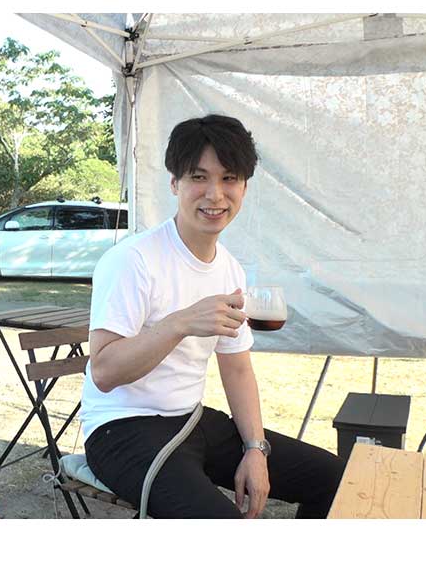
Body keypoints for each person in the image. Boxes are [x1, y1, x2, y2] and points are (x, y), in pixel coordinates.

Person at [80, 114, 344, 518]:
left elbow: (237, 370)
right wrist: (180, 323)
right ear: (175, 184)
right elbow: (104, 371)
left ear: (244, 187)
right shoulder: (133, 260)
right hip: (122, 430)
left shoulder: (230, 270)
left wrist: (256, 450)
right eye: (199, 177)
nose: (215, 195)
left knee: (334, 478)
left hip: (192, 420)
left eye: (229, 179)